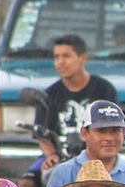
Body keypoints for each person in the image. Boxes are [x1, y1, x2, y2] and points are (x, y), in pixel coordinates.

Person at [36, 34, 120, 169]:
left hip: (97, 158)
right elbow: (42, 135)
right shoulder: (49, 95)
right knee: (28, 182)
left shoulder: (105, 90)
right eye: (57, 57)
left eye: (66, 56)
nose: (60, 62)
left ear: (83, 58)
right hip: (58, 157)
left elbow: (113, 130)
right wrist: (51, 155)